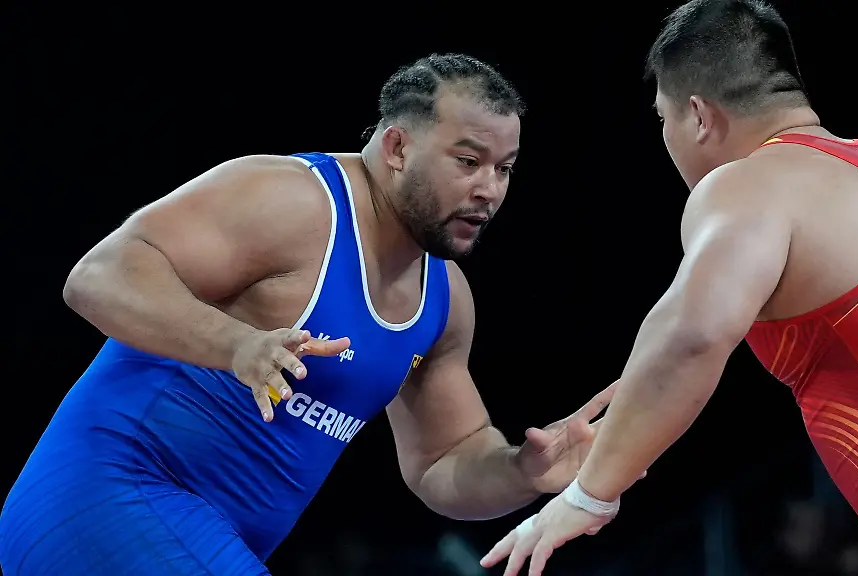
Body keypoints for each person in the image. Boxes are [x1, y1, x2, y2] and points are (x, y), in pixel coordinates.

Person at [0, 53, 617, 576]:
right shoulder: (293, 201)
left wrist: (524, 471)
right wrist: (237, 344)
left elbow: (443, 461)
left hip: (206, 541)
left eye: (504, 168)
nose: (489, 188)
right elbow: (97, 277)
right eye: (467, 160)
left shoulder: (445, 301)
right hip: (106, 494)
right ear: (397, 146)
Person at [481, 2, 858, 575]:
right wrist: (629, 429)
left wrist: (588, 495)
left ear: (698, 116)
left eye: (662, 118)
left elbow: (692, 335)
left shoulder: (748, 183)